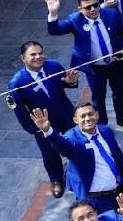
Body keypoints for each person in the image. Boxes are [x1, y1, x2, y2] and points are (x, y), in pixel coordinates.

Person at [45, 0, 123, 128]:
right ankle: (101, 124)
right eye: (88, 7)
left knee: (119, 92)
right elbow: (55, 30)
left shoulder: (111, 14)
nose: (93, 9)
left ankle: (122, 118)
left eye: (95, 5)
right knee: (98, 97)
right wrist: (53, 13)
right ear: (80, 9)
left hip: (115, 63)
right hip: (95, 68)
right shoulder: (75, 20)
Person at [31, 103, 123, 215]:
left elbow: (119, 159)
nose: (87, 118)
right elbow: (62, 146)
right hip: (94, 200)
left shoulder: (106, 131)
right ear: (75, 120)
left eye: (90, 114)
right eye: (83, 116)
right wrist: (48, 130)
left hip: (118, 195)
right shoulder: (72, 138)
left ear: (97, 115)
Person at [9, 41, 76, 199]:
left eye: (40, 53)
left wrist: (71, 82)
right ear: (23, 58)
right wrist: (34, 128)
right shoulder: (17, 82)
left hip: (66, 114)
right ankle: (56, 179)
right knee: (49, 152)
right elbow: (19, 110)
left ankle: (81, 165)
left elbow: (64, 83)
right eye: (33, 54)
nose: (38, 57)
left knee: (75, 141)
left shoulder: (54, 66)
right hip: (43, 122)